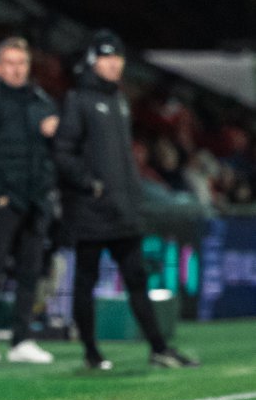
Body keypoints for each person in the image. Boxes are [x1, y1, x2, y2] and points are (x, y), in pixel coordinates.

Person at [53, 29, 198, 370]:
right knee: (85, 281)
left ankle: (159, 348)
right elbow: (62, 152)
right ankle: (91, 353)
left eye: (118, 57)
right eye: (107, 57)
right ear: (93, 61)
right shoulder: (78, 100)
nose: (115, 64)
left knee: (137, 279)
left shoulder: (119, 100)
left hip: (123, 211)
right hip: (91, 211)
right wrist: (90, 185)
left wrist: (130, 197)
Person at [0, 36, 59, 364]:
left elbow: (55, 152)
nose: (16, 69)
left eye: (22, 63)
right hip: (5, 200)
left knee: (30, 272)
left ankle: (22, 338)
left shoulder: (41, 100)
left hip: (36, 200)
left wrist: (47, 188)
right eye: (10, 63)